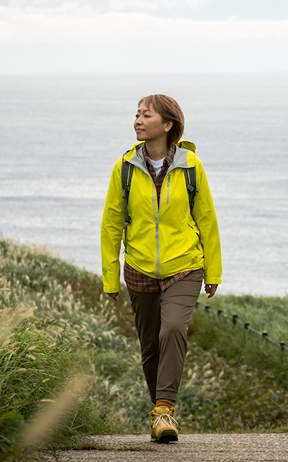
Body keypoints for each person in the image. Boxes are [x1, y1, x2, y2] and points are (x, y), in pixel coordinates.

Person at [100, 94, 222, 443]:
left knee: (172, 329)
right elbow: (111, 226)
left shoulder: (191, 166)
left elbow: (207, 220)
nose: (137, 120)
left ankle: (164, 409)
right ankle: (160, 415)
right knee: (150, 346)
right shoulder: (123, 168)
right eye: (136, 114)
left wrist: (213, 271)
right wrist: (111, 277)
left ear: (167, 125)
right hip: (139, 268)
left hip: (184, 266)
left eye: (146, 115)